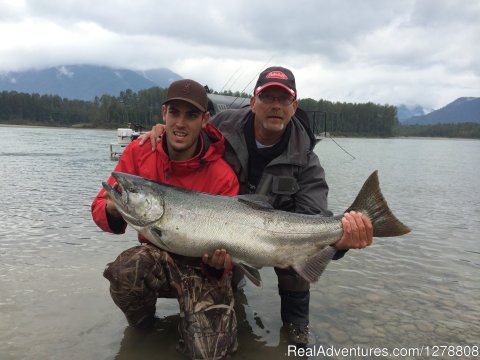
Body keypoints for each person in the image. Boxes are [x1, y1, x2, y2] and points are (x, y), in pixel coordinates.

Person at [140, 66, 373, 346]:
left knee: (295, 254)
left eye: (283, 99)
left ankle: (296, 329)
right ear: (253, 103)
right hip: (227, 231)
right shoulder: (223, 127)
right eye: (267, 98)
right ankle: (228, 302)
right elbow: (187, 133)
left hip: (276, 237)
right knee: (224, 271)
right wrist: (164, 130)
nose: (275, 106)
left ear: (293, 106)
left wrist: (342, 239)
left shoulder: (306, 161)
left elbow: (315, 221)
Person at [92, 79, 240, 359]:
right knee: (125, 270)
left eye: (191, 115)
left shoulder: (223, 176)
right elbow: (100, 205)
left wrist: (220, 265)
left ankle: (200, 322)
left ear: (205, 120)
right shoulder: (139, 151)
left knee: (210, 355)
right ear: (163, 113)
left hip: (202, 269)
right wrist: (112, 208)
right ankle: (145, 328)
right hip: (157, 260)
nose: (180, 123)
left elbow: (230, 256)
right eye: (174, 113)